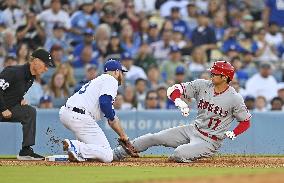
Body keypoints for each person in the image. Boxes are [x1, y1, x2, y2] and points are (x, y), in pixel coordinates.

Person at [113, 61, 251, 163]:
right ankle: (122, 151)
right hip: (193, 129)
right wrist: (179, 101)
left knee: (179, 154)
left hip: (210, 140)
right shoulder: (202, 85)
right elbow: (173, 89)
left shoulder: (234, 98)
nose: (211, 74)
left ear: (225, 77)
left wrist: (234, 132)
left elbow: (245, 122)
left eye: (215, 73)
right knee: (155, 137)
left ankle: (197, 162)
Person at [60, 59, 131, 163]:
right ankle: (76, 147)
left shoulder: (99, 80)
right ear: (116, 72)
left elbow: (110, 116)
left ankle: (77, 151)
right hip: (79, 116)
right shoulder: (111, 79)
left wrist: (122, 135)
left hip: (67, 113)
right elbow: (105, 104)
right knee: (107, 155)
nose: (122, 76)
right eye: (121, 72)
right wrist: (122, 134)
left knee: (93, 151)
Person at [0, 48, 55, 160]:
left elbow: (12, 91)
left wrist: (20, 99)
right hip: (3, 108)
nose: (46, 69)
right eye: (45, 65)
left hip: (8, 109)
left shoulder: (30, 78)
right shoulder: (13, 71)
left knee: (29, 112)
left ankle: (25, 151)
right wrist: (3, 108)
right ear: (36, 61)